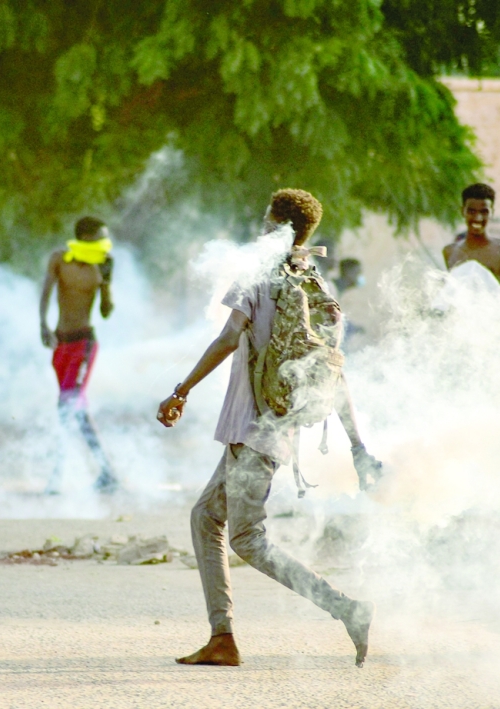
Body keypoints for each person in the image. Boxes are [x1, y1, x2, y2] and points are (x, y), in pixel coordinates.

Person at [156, 189, 376, 668]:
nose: (258, 230)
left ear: (278, 227)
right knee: (204, 517)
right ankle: (222, 637)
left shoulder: (258, 274)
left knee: (246, 538)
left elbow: (229, 337)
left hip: (251, 432)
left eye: (265, 221)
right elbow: (334, 371)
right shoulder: (312, 280)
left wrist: (182, 390)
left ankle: (346, 608)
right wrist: (357, 444)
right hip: (277, 430)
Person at [39, 216, 119, 494]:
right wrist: (43, 324)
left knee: (66, 406)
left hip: (84, 344)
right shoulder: (60, 259)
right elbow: (46, 292)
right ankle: (107, 472)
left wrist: (106, 283)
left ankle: (57, 476)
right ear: (84, 237)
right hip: (61, 344)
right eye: (99, 237)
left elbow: (106, 311)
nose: (104, 244)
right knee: (76, 411)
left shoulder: (103, 264)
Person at [442, 183, 500, 285]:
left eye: (484, 212)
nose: (478, 218)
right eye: (471, 212)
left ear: (492, 212)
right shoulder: (449, 251)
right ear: (463, 211)